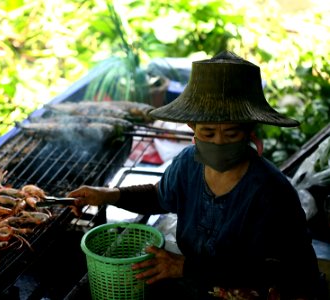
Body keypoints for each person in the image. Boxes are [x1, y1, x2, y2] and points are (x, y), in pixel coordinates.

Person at [68, 51, 322, 299]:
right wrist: (108, 195)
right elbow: (160, 196)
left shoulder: (271, 191)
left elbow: (282, 268)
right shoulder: (187, 164)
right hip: (205, 284)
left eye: (232, 134)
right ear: (192, 126)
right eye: (208, 133)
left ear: (249, 130)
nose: (220, 142)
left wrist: (185, 267)